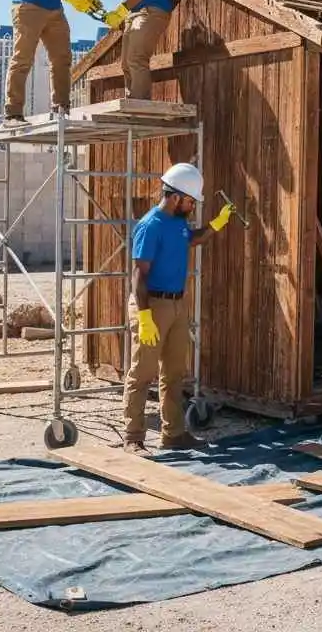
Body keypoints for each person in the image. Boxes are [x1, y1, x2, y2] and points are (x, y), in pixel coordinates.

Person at [122, 163, 235, 452]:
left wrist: (216, 224)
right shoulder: (150, 225)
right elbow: (139, 275)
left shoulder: (177, 223)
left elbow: (191, 239)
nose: (192, 206)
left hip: (176, 304)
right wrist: (145, 317)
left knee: (173, 374)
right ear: (174, 197)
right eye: (189, 201)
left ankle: (173, 434)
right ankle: (133, 437)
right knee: (141, 373)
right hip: (152, 306)